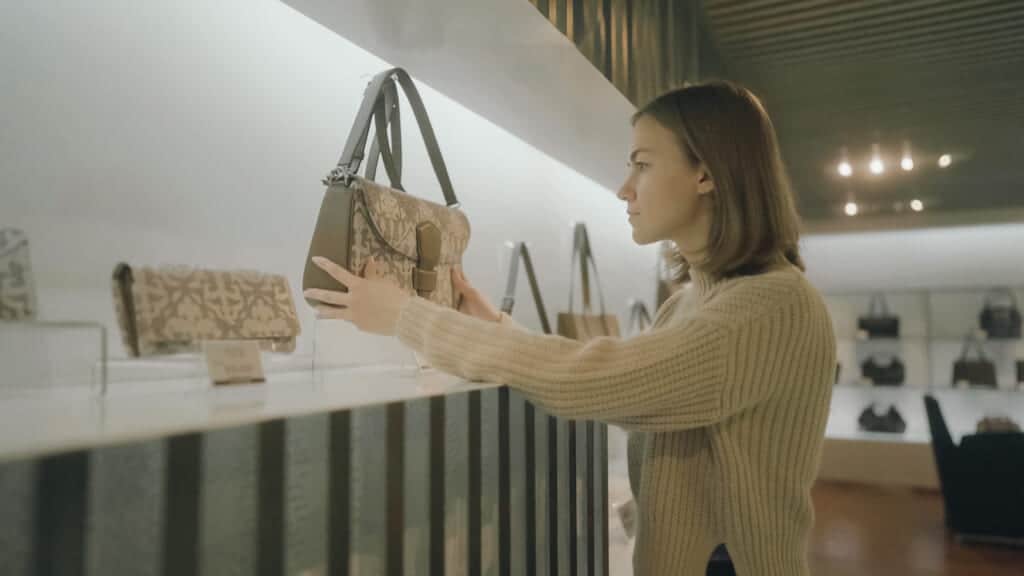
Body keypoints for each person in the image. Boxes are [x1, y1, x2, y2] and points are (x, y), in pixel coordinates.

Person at [304, 80, 836, 576]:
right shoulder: (692, 303)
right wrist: (495, 327)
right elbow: (628, 389)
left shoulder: (772, 304)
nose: (625, 188)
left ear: (707, 173)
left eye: (643, 165)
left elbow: (597, 382)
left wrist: (405, 316)